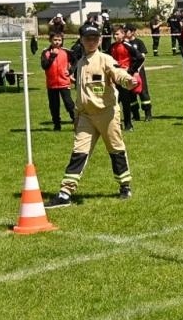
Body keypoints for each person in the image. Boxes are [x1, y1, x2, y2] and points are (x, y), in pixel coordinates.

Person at [46, 23, 138, 207]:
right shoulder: (80, 62)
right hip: (85, 117)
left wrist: (128, 80)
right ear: (81, 40)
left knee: (116, 149)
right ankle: (65, 193)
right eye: (88, 38)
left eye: (95, 38)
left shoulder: (105, 58)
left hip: (107, 114)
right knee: (79, 153)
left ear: (100, 40)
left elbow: (117, 72)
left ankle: (124, 186)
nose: (91, 41)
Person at [40, 31, 76, 131]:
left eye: (59, 40)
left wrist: (70, 71)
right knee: (54, 106)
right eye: (55, 40)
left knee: (69, 103)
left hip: (64, 83)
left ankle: (76, 121)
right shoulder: (45, 52)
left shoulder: (66, 52)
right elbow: (44, 66)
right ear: (50, 40)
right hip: (51, 84)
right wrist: (52, 56)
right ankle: (57, 124)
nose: (57, 42)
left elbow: (75, 61)